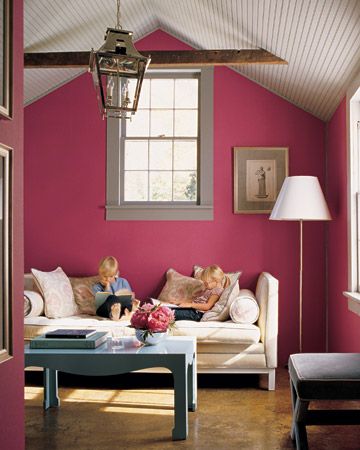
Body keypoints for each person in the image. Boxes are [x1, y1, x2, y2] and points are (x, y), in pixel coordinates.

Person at [92, 256, 138, 321]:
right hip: (104, 311)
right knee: (112, 297)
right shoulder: (96, 287)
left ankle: (127, 314)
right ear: (100, 274)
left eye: (111, 276)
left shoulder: (123, 281)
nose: (108, 279)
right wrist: (107, 287)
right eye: (105, 276)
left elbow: (130, 297)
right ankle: (114, 314)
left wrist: (133, 301)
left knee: (128, 304)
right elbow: (100, 303)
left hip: (121, 308)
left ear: (116, 273)